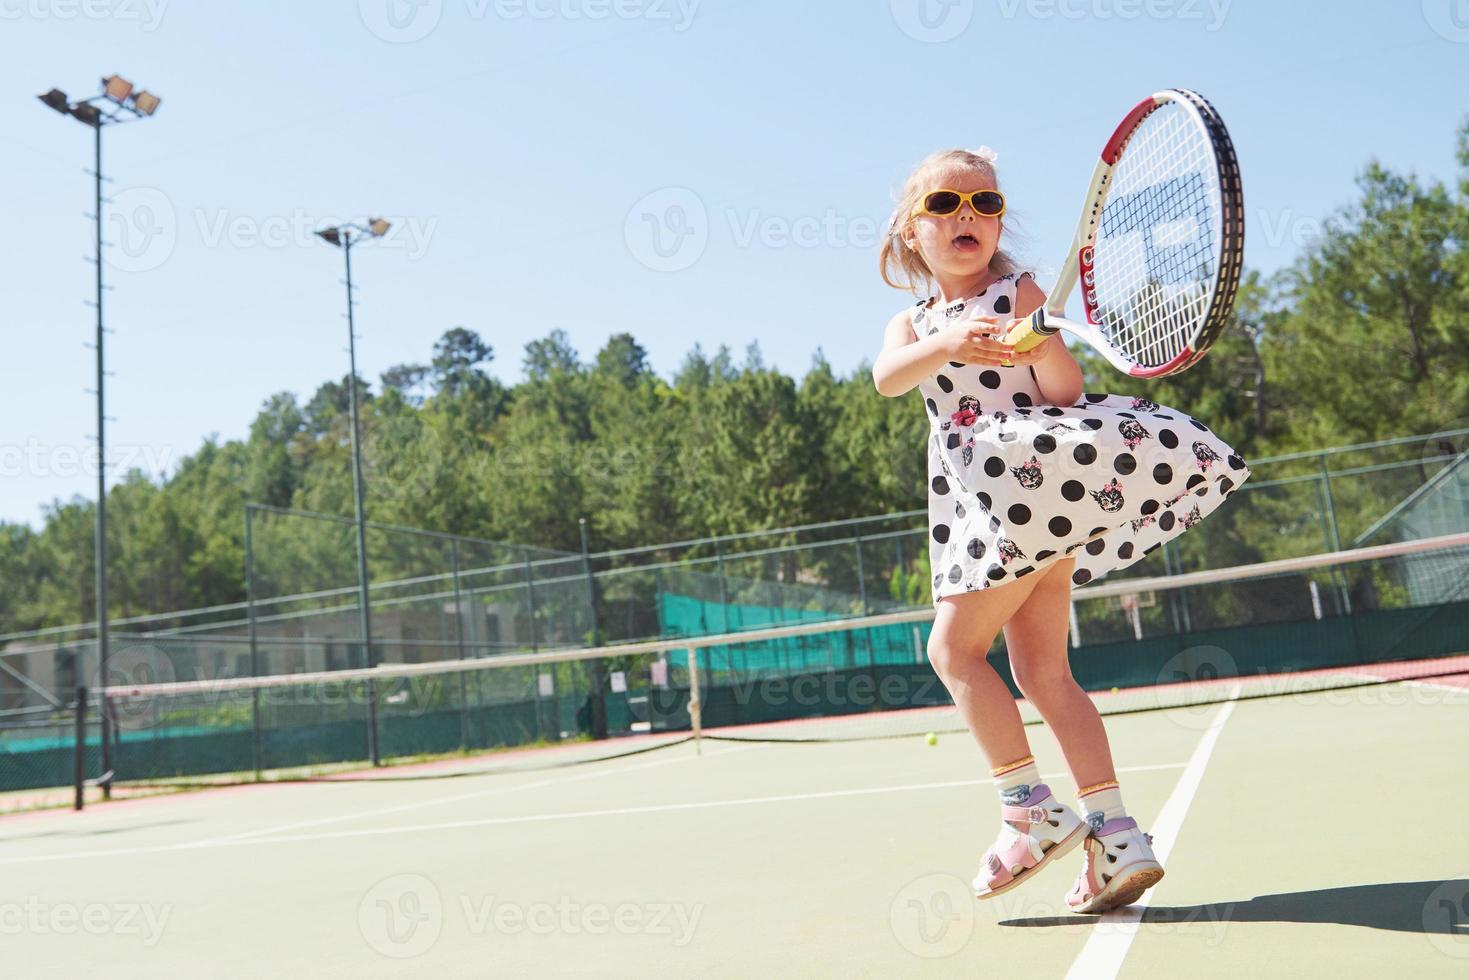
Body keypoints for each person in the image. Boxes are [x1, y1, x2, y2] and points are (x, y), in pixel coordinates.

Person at [870, 146, 1250, 913]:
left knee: (950, 650)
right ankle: (1115, 836)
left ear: (999, 219)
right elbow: (888, 376)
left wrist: (1036, 338)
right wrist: (948, 342)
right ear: (912, 233)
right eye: (944, 206)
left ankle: (1029, 808)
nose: (966, 217)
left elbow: (1063, 389)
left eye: (983, 203)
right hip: (1008, 509)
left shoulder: (1022, 291)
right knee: (1044, 674)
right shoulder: (910, 322)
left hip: (1021, 491)